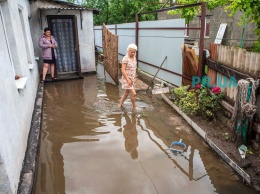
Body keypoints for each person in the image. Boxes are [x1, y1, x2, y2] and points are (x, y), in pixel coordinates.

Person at [119, 44, 138, 109]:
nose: (133, 53)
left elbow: (134, 68)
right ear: (128, 51)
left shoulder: (134, 57)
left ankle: (120, 105)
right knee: (134, 93)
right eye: (131, 52)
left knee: (126, 94)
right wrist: (127, 79)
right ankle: (134, 107)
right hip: (126, 79)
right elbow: (123, 70)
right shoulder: (125, 58)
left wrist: (134, 77)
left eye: (134, 52)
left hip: (131, 78)